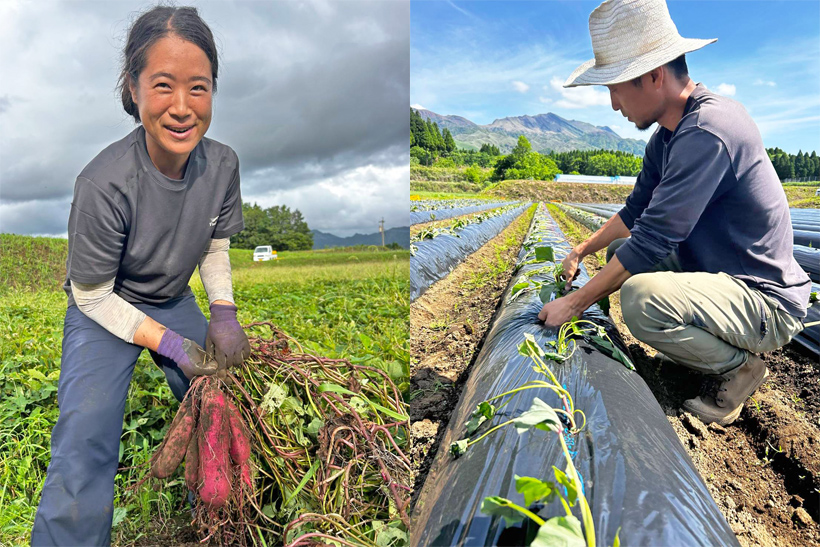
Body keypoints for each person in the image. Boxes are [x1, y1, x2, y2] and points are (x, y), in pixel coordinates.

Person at [31, 6, 250, 545]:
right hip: (104, 306)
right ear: (132, 89)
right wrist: (170, 344)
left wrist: (222, 309)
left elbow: (214, 245)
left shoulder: (221, 166)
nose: (181, 107)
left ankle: (236, 517)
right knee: (86, 433)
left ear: (214, 92)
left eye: (198, 88)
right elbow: (92, 295)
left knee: (225, 399)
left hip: (173, 297)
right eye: (162, 86)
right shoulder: (104, 183)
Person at [537, 0, 810, 426]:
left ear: (653, 75)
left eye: (615, 87)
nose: (613, 104)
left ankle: (739, 370)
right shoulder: (666, 138)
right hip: (723, 278)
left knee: (639, 299)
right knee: (619, 254)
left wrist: (574, 304)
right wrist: (581, 249)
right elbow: (635, 213)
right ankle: (697, 349)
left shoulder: (708, 130)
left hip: (764, 299)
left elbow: (654, 240)